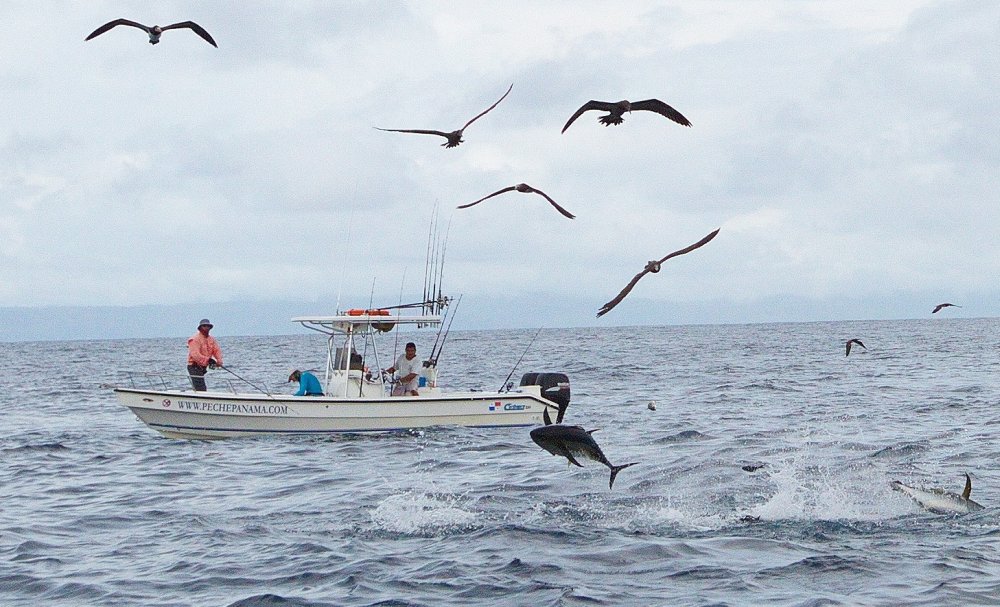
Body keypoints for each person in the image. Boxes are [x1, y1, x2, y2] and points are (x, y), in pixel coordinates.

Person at [187, 318, 223, 391]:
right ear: (200, 328)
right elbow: (195, 354)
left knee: (200, 387)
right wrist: (208, 360)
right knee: (201, 388)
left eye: (208, 326)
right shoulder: (194, 339)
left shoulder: (211, 339)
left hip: (203, 367)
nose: (206, 328)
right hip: (194, 366)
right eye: (204, 326)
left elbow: (216, 350)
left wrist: (219, 360)